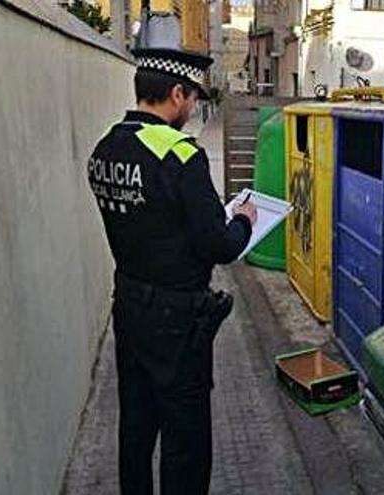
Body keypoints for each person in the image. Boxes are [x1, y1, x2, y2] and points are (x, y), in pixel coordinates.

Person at [86, 47, 257, 495]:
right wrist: (243, 222)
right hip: (178, 321)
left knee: (137, 427)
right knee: (185, 438)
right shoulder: (181, 157)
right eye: (194, 98)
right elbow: (218, 246)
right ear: (177, 93)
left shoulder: (106, 147)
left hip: (129, 305)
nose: (194, 108)